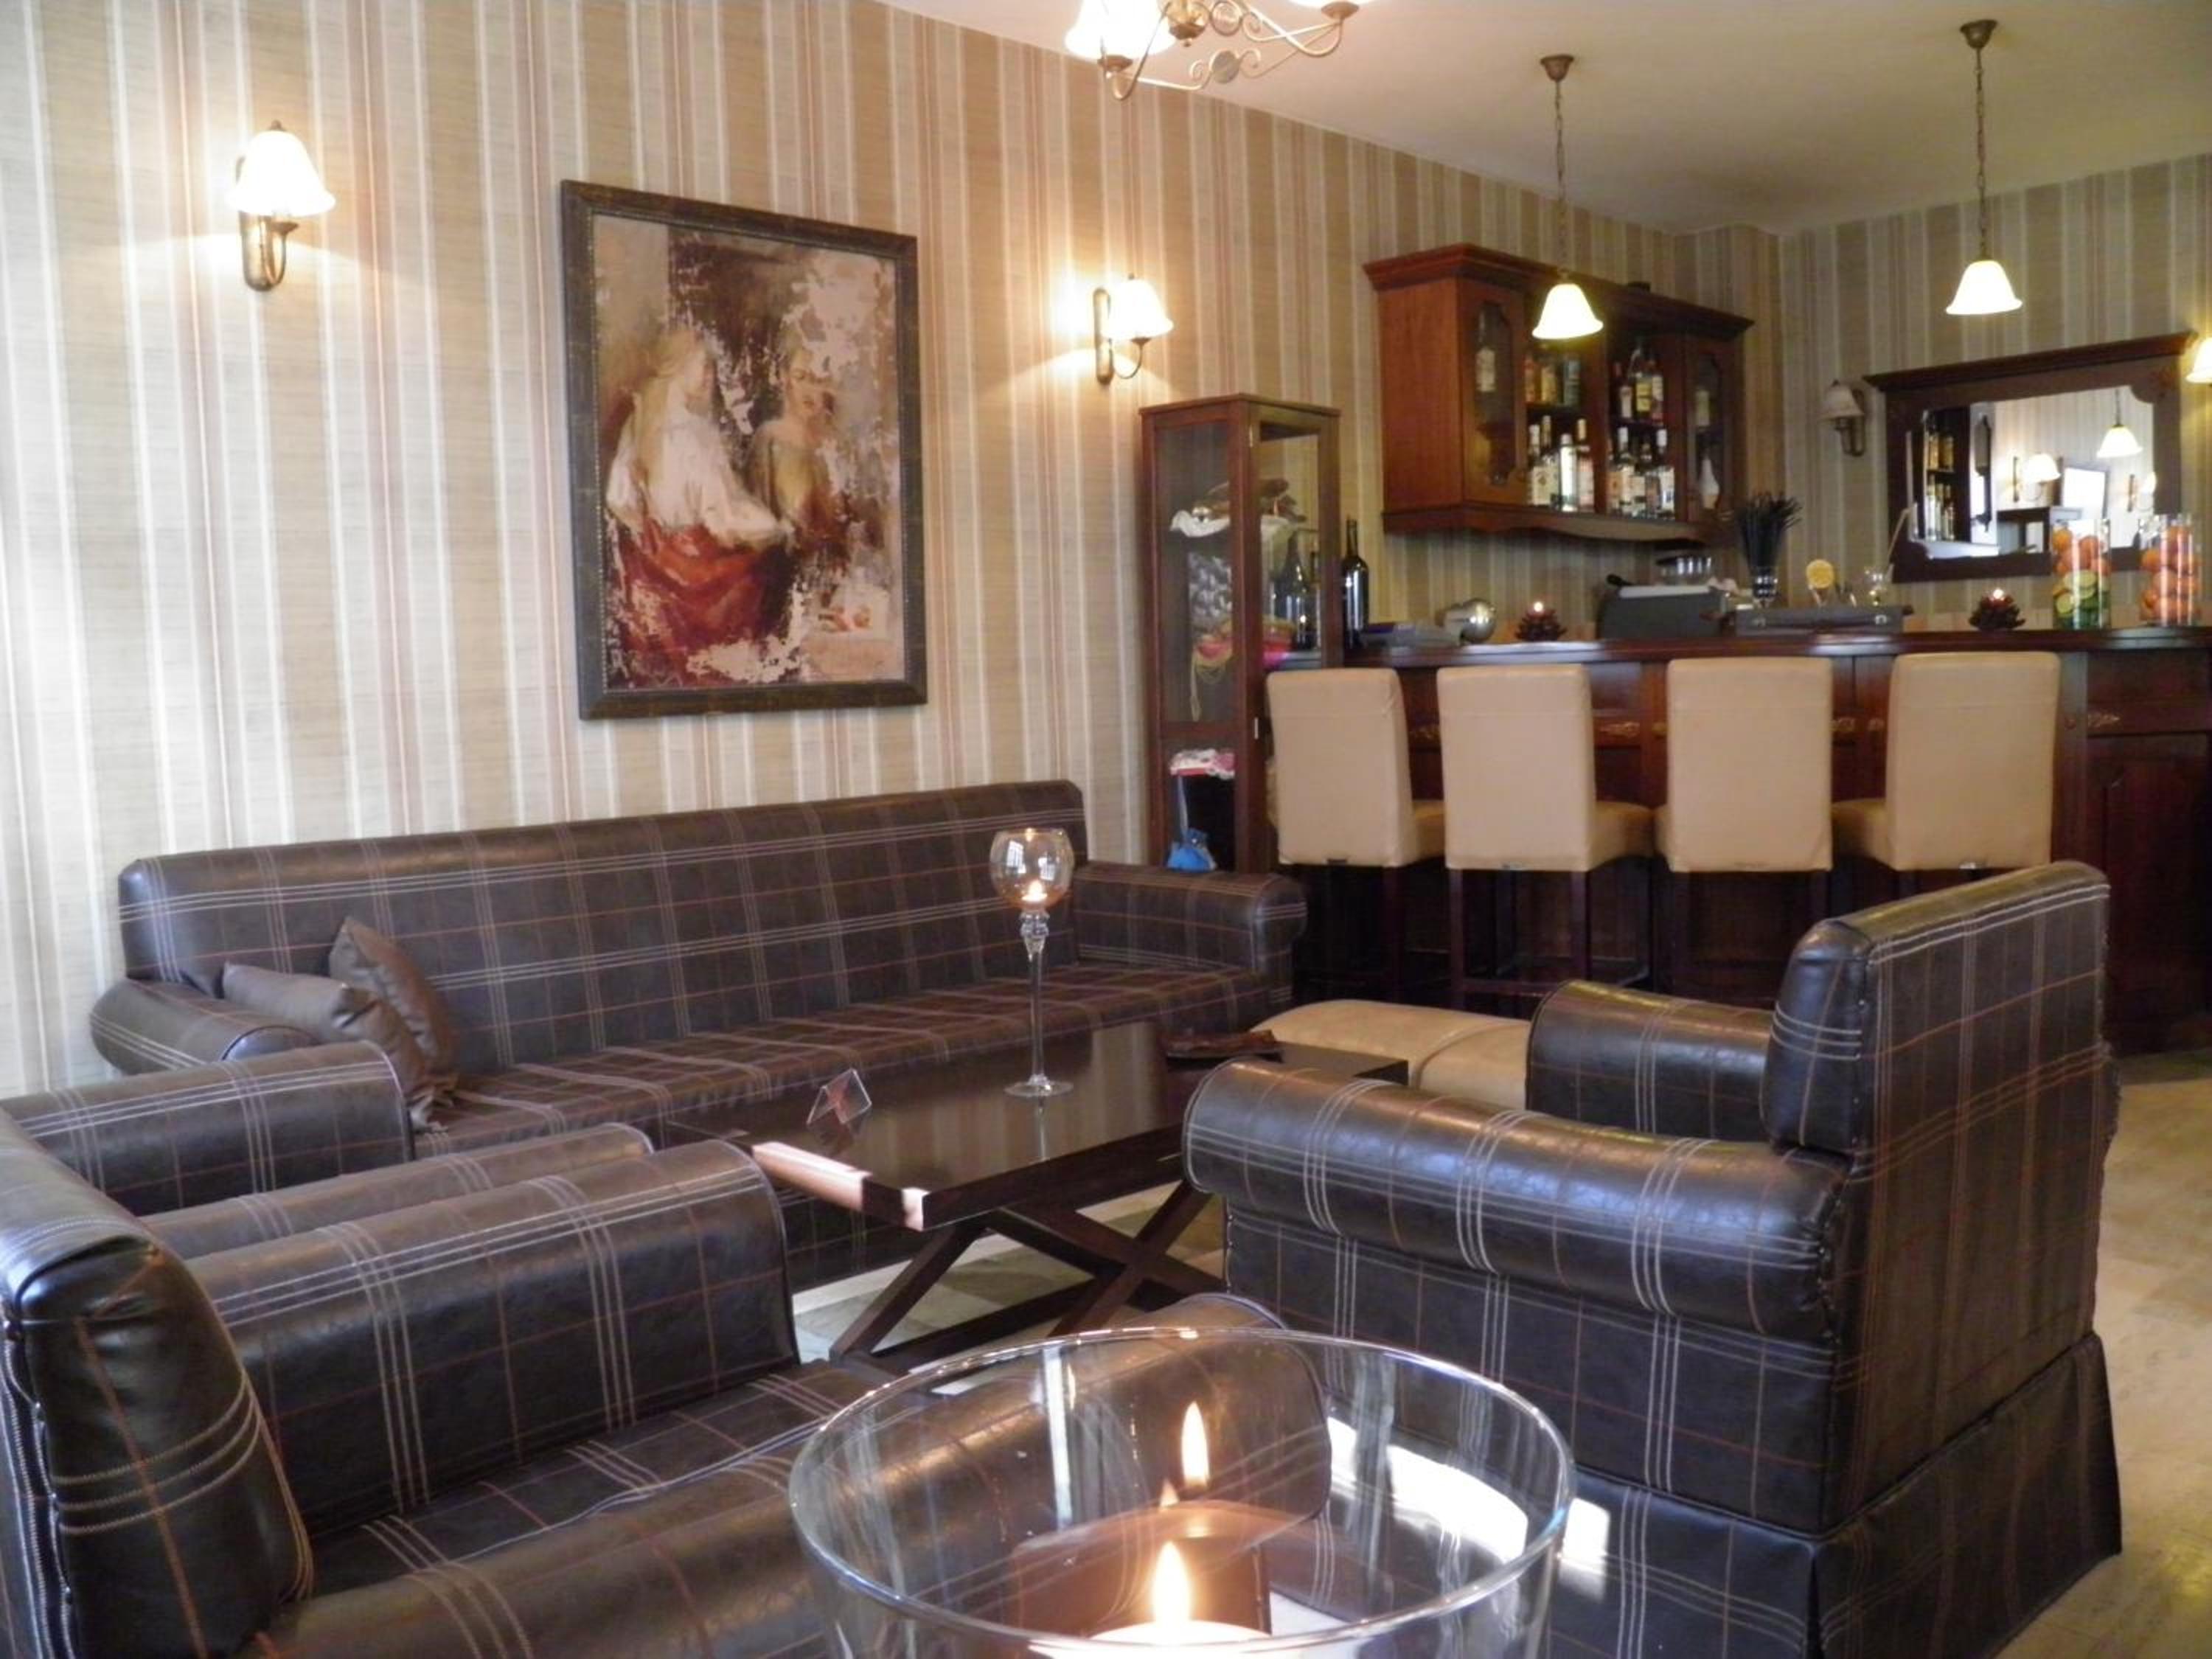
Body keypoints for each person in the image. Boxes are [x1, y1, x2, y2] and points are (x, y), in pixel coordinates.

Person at [604, 326, 791, 683]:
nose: (710, 376)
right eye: (704, 366)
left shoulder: (638, 423)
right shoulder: (697, 434)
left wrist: (650, 533)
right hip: (698, 581)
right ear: (680, 365)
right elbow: (722, 521)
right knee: (771, 568)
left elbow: (618, 498)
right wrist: (775, 528)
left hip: (649, 576)